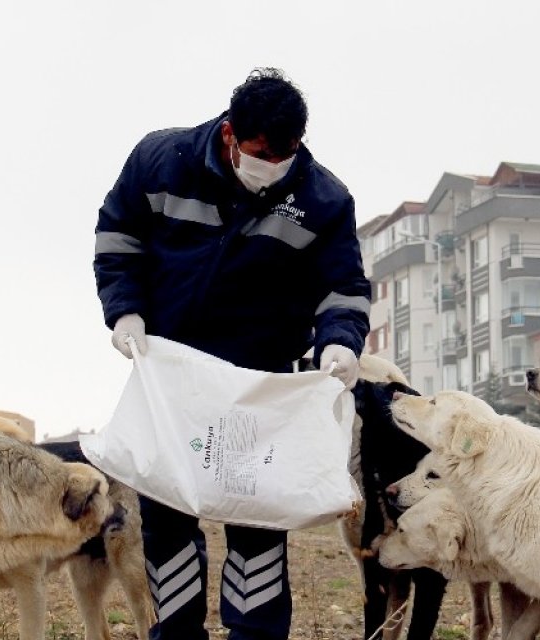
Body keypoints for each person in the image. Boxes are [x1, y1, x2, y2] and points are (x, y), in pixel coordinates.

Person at [93, 68, 371, 640]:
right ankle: (176, 631)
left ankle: (257, 633)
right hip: (172, 374)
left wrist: (340, 341)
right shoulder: (161, 160)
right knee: (167, 514)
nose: (275, 162)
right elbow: (118, 235)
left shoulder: (322, 198)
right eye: (263, 152)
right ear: (230, 134)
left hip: (259, 383)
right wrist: (124, 310)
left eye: (288, 151)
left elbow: (342, 287)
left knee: (258, 518)